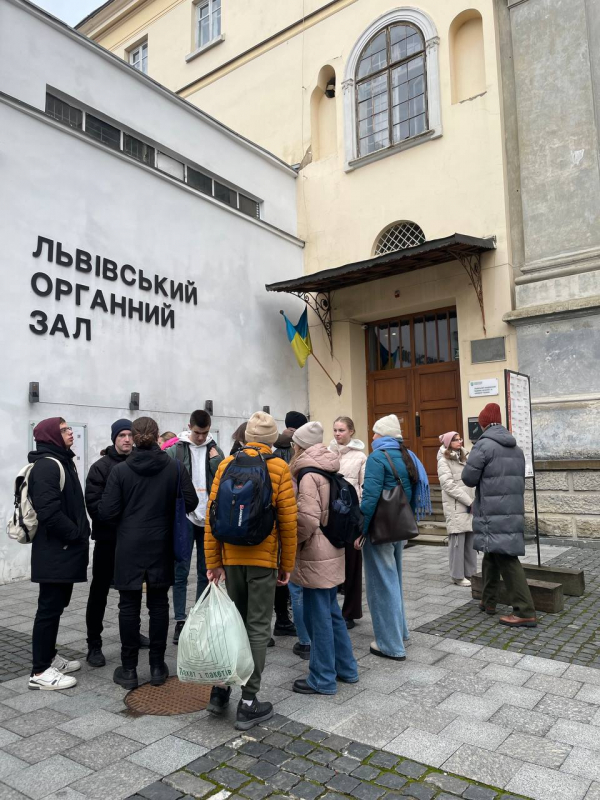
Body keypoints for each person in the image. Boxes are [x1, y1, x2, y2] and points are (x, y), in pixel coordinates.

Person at [204, 411, 297, 730]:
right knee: (257, 627)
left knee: (232, 625)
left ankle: (220, 692)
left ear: (244, 439)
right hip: (263, 560)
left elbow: (211, 518)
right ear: (272, 441)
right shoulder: (279, 466)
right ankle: (248, 701)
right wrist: (287, 564)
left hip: (230, 558)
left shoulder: (227, 465)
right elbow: (288, 521)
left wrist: (213, 562)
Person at [99, 416, 198, 688]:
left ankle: (129, 669)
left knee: (128, 605)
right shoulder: (175, 468)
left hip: (129, 544)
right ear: (156, 437)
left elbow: (107, 512)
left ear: (135, 437)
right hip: (161, 543)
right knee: (158, 604)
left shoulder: (120, 471)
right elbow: (191, 501)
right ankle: (157, 666)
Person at [290, 421, 359, 694]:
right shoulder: (329, 468)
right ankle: (347, 668)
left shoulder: (308, 475)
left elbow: (306, 518)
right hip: (333, 550)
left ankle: (322, 679)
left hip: (315, 554)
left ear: (300, 446)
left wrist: (292, 541)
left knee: (319, 618)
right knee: (332, 614)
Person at [28, 418, 90, 690]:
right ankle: (40, 671)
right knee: (48, 609)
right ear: (52, 435)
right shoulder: (47, 466)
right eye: (64, 430)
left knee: (57, 606)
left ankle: (50, 657)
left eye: (69, 428)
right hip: (55, 550)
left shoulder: (62, 461)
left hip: (63, 549)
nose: (71, 433)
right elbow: (49, 512)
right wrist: (75, 534)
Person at [462, 403, 537, 627]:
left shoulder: (483, 446)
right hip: (511, 508)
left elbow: (468, 478)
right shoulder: (516, 448)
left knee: (506, 557)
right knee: (492, 552)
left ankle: (525, 611)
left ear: (483, 423)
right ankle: (489, 601)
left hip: (492, 511)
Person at [85, 419, 150, 668]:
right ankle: (94, 644)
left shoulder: (139, 464)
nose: (126, 439)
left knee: (133, 592)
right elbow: (95, 505)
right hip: (108, 540)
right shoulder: (100, 468)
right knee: (99, 592)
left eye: (129, 435)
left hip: (133, 542)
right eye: (121, 435)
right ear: (114, 438)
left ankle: (132, 634)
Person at [359, 414, 418, 661]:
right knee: (394, 581)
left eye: (375, 433)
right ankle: (400, 632)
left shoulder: (377, 457)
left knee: (381, 584)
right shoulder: (408, 456)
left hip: (379, 529)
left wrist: (361, 530)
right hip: (399, 526)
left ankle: (390, 645)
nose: (372, 437)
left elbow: (370, 498)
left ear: (383, 435)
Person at [165, 410, 224, 643]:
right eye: (198, 433)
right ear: (189, 427)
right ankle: (180, 620)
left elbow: (224, 475)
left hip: (209, 517)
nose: (201, 437)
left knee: (205, 570)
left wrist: (216, 460)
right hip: (185, 516)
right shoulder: (176, 449)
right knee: (180, 570)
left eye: (205, 432)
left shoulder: (215, 449)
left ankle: (199, 617)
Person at [328, 416, 366, 629]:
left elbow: (364, 487)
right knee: (331, 564)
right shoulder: (328, 453)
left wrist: (361, 521)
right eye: (335, 429)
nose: (337, 434)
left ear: (351, 431)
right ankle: (331, 608)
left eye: (341, 430)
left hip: (351, 519)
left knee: (352, 567)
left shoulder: (360, 457)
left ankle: (350, 612)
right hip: (332, 519)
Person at [272, 412, 307, 639]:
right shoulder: (295, 452)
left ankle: (282, 618)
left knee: (278, 571)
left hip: (272, 521)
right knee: (287, 570)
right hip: (289, 517)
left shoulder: (275, 450)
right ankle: (286, 619)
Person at [437, 431, 477, 586]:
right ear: (448, 443)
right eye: (455, 440)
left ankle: (471, 573)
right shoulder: (443, 460)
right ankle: (458, 575)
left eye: (460, 439)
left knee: (470, 540)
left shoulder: (465, 456)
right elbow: (448, 485)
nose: (459, 441)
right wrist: (468, 500)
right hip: (456, 504)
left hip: (469, 503)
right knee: (457, 541)